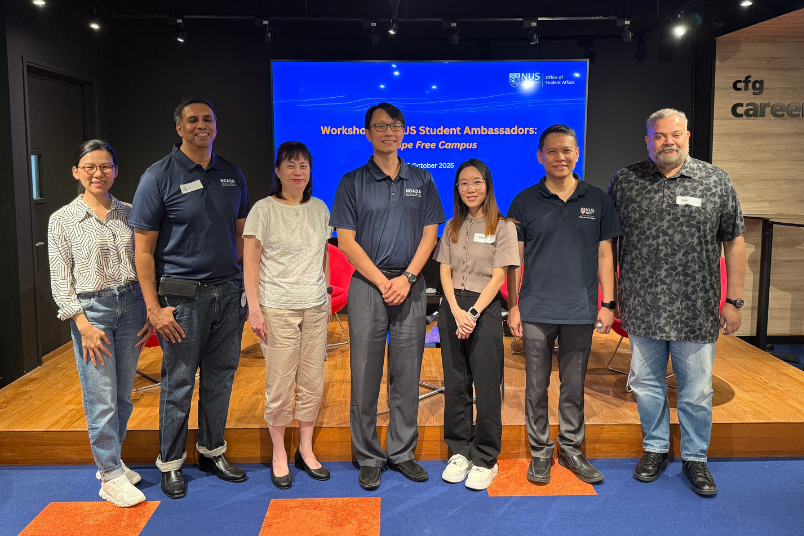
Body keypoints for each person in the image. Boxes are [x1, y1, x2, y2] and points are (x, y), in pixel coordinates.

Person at [608, 108, 746, 497]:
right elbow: (608, 244)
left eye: (676, 134)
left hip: (697, 308)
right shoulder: (625, 181)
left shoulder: (715, 181)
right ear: (647, 141)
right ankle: (654, 448)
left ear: (688, 137)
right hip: (642, 306)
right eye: (660, 136)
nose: (668, 141)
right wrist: (610, 299)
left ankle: (695, 458)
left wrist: (734, 300)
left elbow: (735, 241)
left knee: (697, 391)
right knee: (647, 385)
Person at [129, 96, 250, 499]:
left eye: (209, 119)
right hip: (182, 300)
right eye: (193, 120)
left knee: (221, 379)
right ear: (179, 128)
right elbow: (142, 251)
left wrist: (244, 286)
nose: (203, 126)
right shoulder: (158, 176)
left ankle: (212, 451)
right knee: (178, 382)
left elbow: (239, 235)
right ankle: (171, 462)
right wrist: (154, 308)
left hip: (228, 295)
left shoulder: (231, 173)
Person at [330, 102, 445, 490]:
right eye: (380, 126)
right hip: (368, 286)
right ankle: (367, 455)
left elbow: (431, 233)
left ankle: (401, 452)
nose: (388, 132)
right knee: (364, 372)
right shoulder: (352, 181)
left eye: (394, 125)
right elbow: (346, 241)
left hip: (410, 287)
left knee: (407, 372)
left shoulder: (422, 178)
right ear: (367, 133)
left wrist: (409, 276)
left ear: (403, 130)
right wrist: (383, 282)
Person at [507, 124, 621, 485]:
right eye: (552, 151)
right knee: (536, 386)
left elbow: (606, 253)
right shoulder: (523, 201)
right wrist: (513, 305)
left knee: (574, 385)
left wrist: (608, 302)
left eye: (567, 150)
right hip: (536, 309)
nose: (560, 157)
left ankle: (572, 449)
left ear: (577, 153)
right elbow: (515, 259)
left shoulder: (598, 200)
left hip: (581, 308)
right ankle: (540, 452)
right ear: (540, 156)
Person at [48, 139, 152, 507]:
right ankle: (108, 475)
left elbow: (145, 261)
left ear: (116, 171)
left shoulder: (130, 212)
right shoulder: (61, 219)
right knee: (101, 398)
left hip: (133, 307)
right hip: (92, 311)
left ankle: (113, 460)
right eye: (89, 167)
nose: (98, 173)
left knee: (123, 395)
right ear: (76, 172)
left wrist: (150, 310)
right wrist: (82, 323)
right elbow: (60, 279)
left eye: (105, 166)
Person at [243, 141, 332, 490]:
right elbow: (250, 264)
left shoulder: (321, 208)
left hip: (314, 305)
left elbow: (324, 254)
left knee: (311, 381)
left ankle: (306, 450)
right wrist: (254, 308)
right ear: (277, 171)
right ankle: (280, 452)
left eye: (304, 166)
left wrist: (324, 296)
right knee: (280, 384)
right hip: (275, 307)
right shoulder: (263, 210)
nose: (298, 171)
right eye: (290, 165)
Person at [433, 158, 519, 490]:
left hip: (483, 309)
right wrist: (454, 309)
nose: (470, 189)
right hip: (452, 306)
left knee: (485, 386)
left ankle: (485, 457)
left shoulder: (504, 226)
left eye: (477, 182)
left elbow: (501, 274)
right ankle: (459, 451)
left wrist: (472, 314)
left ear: (488, 185)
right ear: (457, 188)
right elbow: (443, 269)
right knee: (455, 384)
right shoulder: (452, 225)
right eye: (464, 183)